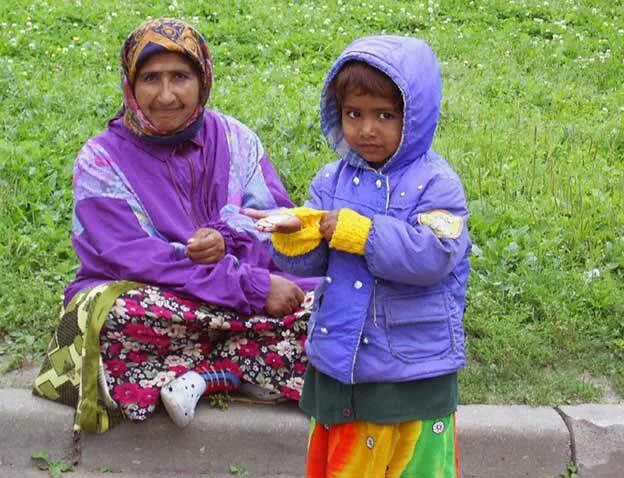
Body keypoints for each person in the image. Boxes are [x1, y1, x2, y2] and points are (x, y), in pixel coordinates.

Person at [33, 18, 317, 431]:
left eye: (180, 77)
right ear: (131, 84)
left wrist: (228, 243)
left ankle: (212, 373)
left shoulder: (238, 141)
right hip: (160, 301)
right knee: (113, 315)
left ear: (202, 81)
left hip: (222, 300)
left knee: (339, 302)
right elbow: (132, 260)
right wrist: (248, 288)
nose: (166, 95)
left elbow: (275, 230)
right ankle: (252, 359)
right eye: (151, 78)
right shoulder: (100, 161)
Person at [248, 35, 471, 477]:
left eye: (385, 115)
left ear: (416, 117)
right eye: (354, 114)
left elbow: (435, 255)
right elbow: (310, 266)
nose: (367, 129)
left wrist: (361, 233)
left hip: (411, 368)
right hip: (341, 359)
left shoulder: (437, 185)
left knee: (412, 465)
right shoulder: (330, 180)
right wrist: (297, 235)